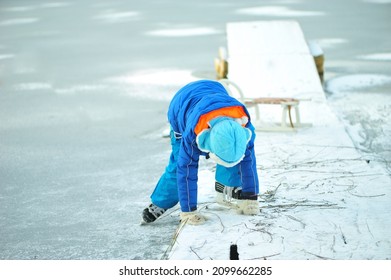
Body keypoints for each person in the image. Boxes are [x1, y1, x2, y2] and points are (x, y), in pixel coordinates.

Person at [142, 80, 259, 225]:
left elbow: (248, 162)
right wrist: (188, 211)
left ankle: (226, 186)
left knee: (232, 155)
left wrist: (250, 197)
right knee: (178, 165)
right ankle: (160, 202)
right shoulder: (190, 134)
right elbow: (186, 173)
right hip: (181, 106)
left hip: (214, 93)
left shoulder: (244, 127)